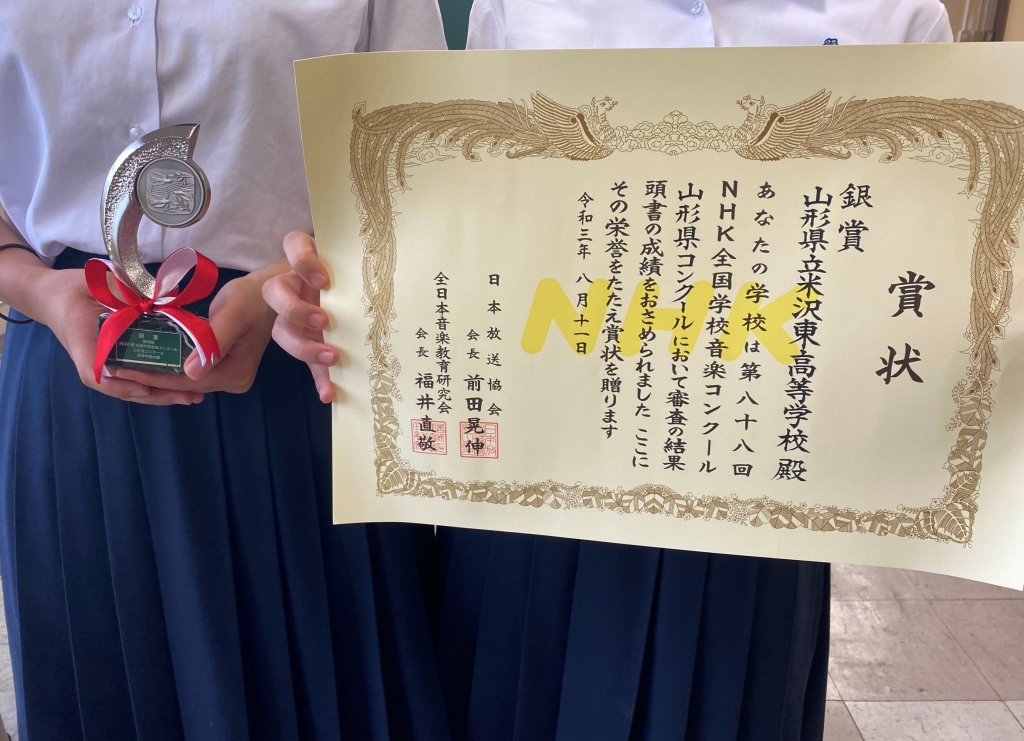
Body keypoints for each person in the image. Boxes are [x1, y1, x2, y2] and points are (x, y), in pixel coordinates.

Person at [270, 2, 955, 741]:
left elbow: (928, 255)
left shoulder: (892, 14)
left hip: (758, 503)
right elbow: (463, 216)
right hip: (538, 491)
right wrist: (345, 295)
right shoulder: (522, 7)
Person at [0, 2, 451, 739]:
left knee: (325, 685)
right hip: (71, 371)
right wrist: (31, 285)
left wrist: (299, 278)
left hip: (304, 354)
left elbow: (427, 151)